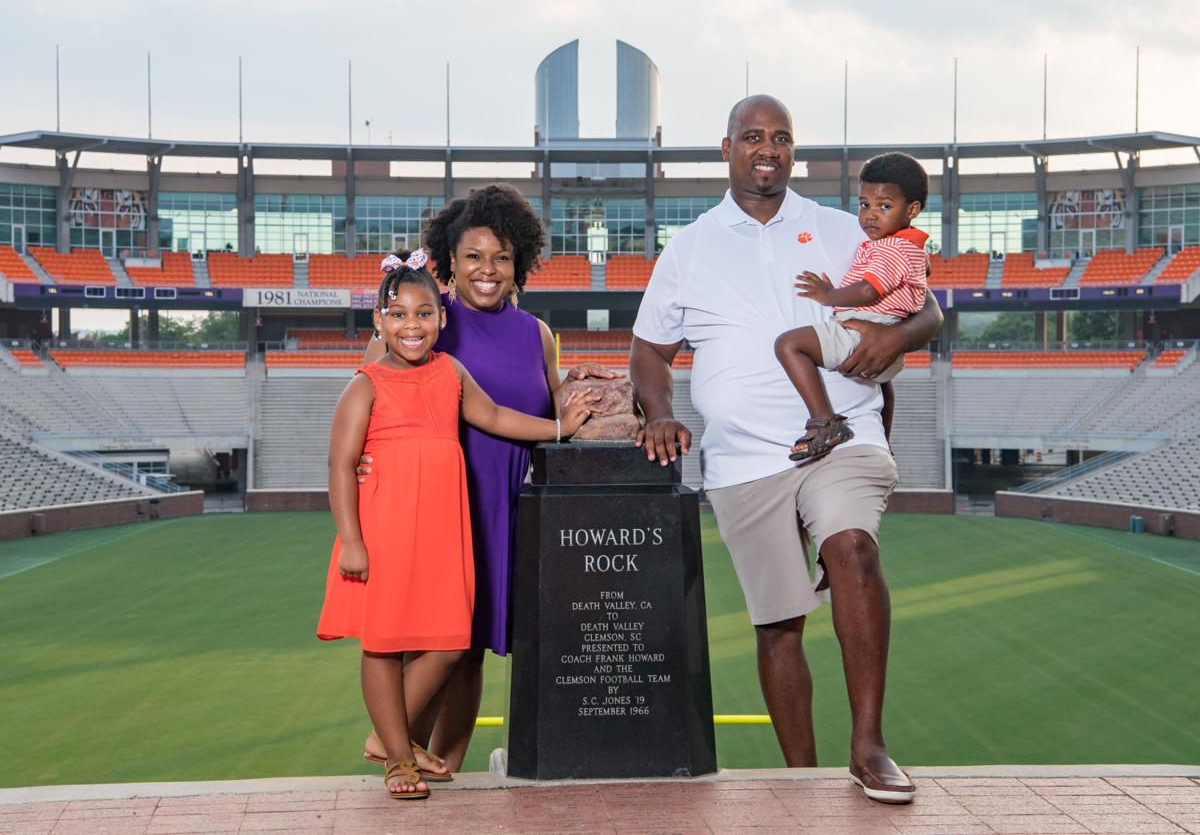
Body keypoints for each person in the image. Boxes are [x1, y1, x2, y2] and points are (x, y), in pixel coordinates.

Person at [630, 95, 942, 804]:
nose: (766, 149)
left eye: (780, 138)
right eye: (751, 137)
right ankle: (800, 777)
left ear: (794, 151)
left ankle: (869, 748)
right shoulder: (691, 245)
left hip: (842, 434)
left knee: (853, 548)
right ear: (726, 148)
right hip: (743, 460)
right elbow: (649, 350)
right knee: (779, 625)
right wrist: (657, 410)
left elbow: (926, 303)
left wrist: (897, 337)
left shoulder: (844, 228)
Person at [357, 185, 619, 773]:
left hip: (503, 504)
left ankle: (444, 767)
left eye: (501, 256)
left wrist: (580, 382)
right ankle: (396, 749)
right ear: (449, 259)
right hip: (435, 503)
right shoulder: (429, 321)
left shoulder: (537, 333)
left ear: (518, 261)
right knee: (433, 643)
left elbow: (549, 409)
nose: (487, 269)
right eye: (473, 255)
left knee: (472, 650)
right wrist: (362, 467)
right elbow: (371, 400)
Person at [317, 258, 594, 799]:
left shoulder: (451, 373)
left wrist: (560, 427)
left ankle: (387, 738)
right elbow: (340, 464)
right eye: (397, 314)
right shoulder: (365, 384)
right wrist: (351, 538)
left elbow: (494, 417)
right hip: (385, 529)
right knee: (383, 645)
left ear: (442, 320)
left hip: (444, 530)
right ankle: (399, 759)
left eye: (424, 313)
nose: (411, 324)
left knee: (450, 641)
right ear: (378, 322)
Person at [774, 152, 930, 463]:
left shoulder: (892, 248)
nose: (871, 215)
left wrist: (828, 295)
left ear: (912, 210)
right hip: (886, 340)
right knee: (881, 385)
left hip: (866, 328)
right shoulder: (911, 246)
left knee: (789, 345)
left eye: (885, 206)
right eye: (864, 204)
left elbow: (869, 289)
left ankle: (824, 422)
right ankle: (883, 439)